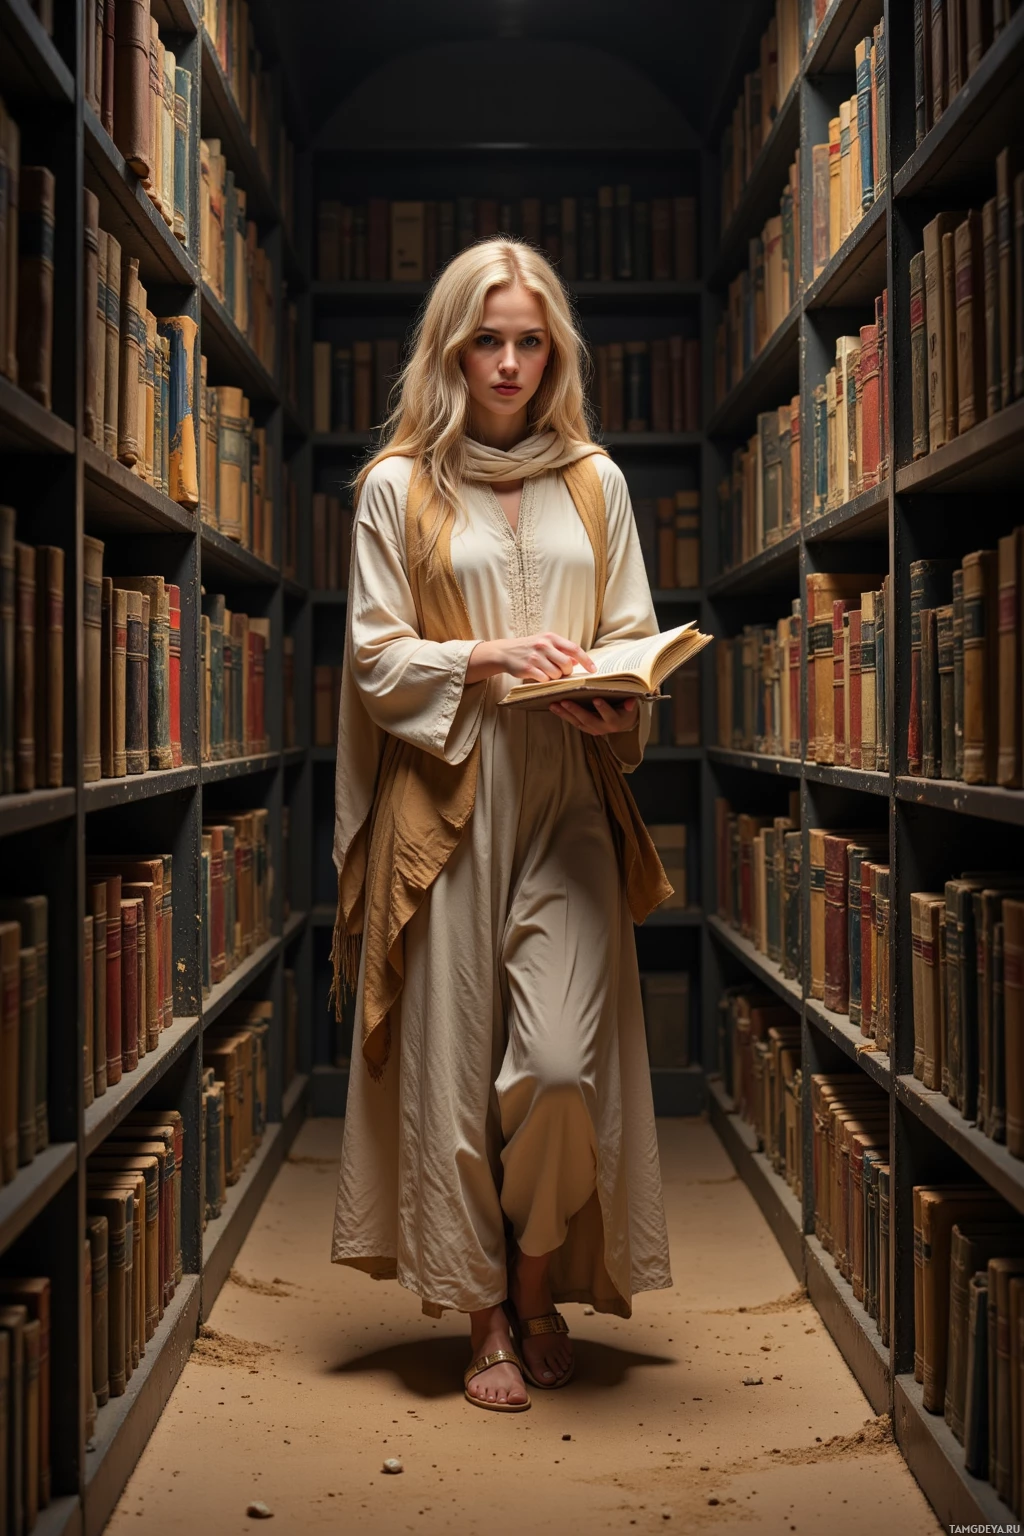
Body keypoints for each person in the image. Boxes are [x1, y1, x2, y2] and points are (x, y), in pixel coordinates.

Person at [329, 237, 673, 1413]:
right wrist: (480, 657)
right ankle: (483, 1316)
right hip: (448, 799)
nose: (511, 363)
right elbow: (375, 661)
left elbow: (632, 630)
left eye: (531, 340)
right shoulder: (395, 486)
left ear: (554, 348)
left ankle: (536, 1279)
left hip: (569, 792)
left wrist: (613, 687)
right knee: (455, 1065)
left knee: (560, 1067)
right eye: (489, 339)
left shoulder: (598, 481)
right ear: (452, 347)